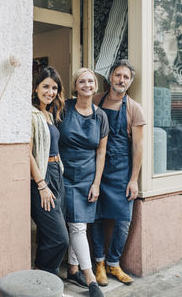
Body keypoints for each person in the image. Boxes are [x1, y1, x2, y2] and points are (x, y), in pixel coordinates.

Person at [91, 59, 146, 286]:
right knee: (96, 218)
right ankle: (99, 264)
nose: (121, 80)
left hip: (122, 172)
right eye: (118, 75)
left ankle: (114, 264)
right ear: (110, 77)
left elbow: (138, 146)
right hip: (96, 170)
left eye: (126, 77)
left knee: (123, 220)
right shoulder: (95, 100)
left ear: (130, 82)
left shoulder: (134, 108)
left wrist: (134, 179)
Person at [58, 68, 109, 297]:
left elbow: (101, 153)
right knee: (77, 226)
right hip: (64, 175)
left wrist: (96, 183)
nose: (87, 84)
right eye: (82, 81)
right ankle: (91, 280)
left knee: (79, 225)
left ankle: (73, 269)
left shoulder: (101, 116)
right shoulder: (65, 108)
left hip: (88, 178)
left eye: (90, 81)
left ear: (95, 86)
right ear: (75, 86)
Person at [30, 66, 69, 275]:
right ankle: (40, 272)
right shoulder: (31, 113)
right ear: (36, 87)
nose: (50, 92)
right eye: (45, 86)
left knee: (48, 235)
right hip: (42, 177)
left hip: (56, 174)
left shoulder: (49, 114)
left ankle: (47, 279)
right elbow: (27, 153)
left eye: (54, 88)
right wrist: (41, 184)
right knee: (59, 238)